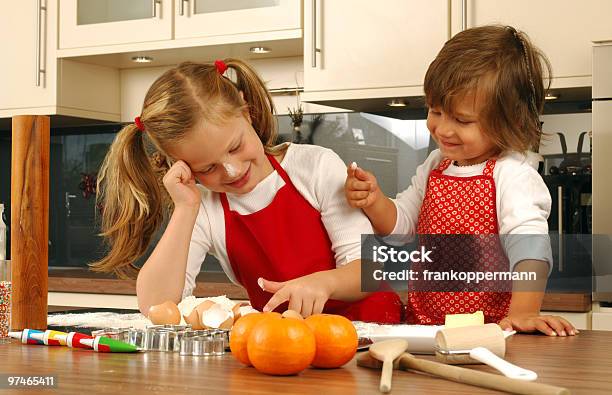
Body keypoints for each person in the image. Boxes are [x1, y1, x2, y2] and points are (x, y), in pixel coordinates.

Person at [92, 59, 402, 323]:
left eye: (236, 146)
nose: (232, 170)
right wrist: (186, 209)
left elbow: (370, 268)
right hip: (284, 352)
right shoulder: (204, 206)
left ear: (247, 112)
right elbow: (156, 306)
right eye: (207, 169)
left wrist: (322, 284)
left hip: (369, 340)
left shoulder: (316, 167)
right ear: (182, 166)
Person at [345, 25, 577, 336]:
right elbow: (401, 229)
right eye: (435, 111)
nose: (442, 129)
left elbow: (530, 248)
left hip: (490, 334)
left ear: (512, 121)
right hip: (425, 329)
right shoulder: (435, 166)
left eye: (462, 120)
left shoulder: (512, 174)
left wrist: (524, 312)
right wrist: (375, 202)